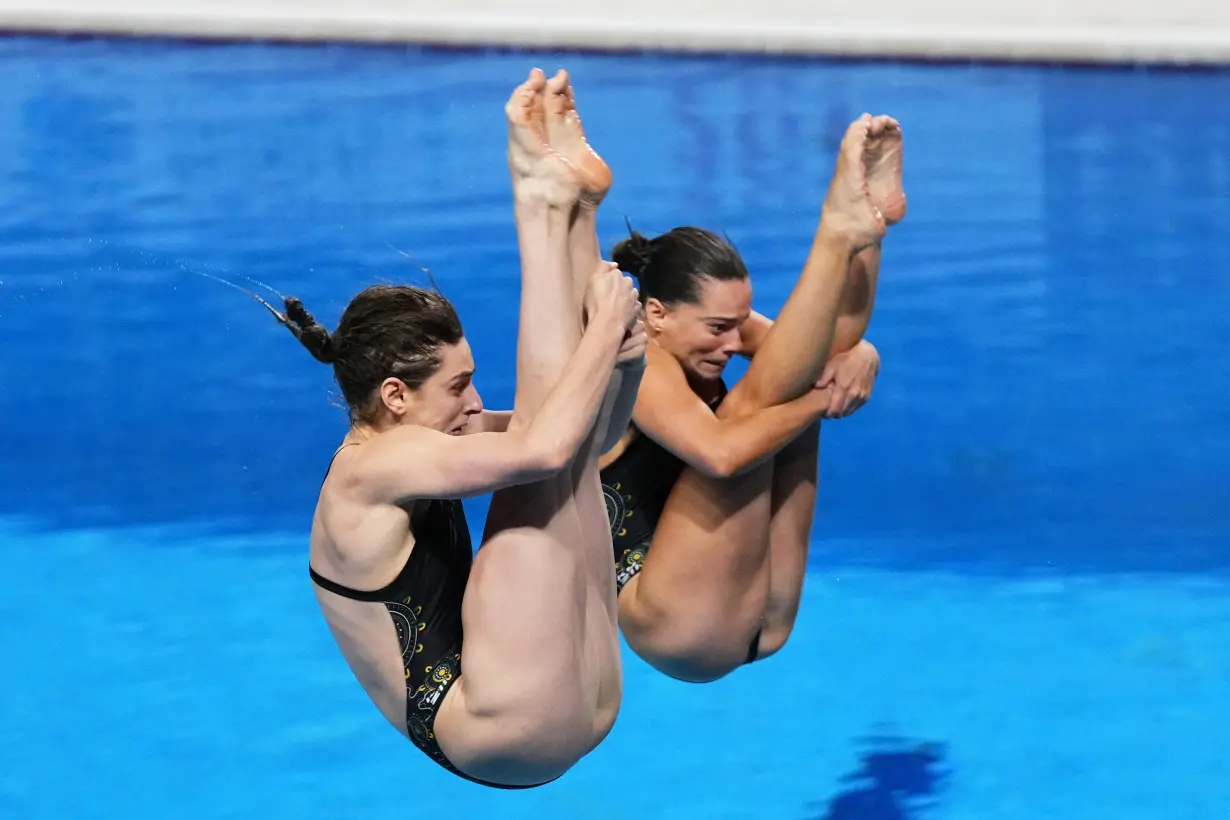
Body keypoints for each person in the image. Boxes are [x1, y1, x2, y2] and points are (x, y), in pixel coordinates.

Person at [268, 68, 646, 789]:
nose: (474, 399)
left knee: (566, 456)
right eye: (458, 384)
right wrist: (602, 333)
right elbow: (543, 441)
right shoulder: (371, 468)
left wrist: (622, 361)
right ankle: (541, 204)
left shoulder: (429, 437)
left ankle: (574, 209)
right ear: (394, 397)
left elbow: (590, 437)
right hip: (492, 723)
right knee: (545, 449)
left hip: (562, 704)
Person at [599, 113, 906, 683]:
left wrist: (861, 354)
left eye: (739, 323)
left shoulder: (710, 334)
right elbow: (720, 456)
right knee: (755, 413)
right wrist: (824, 401)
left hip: (761, 616)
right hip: (673, 621)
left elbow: (817, 350)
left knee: (791, 376)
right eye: (717, 327)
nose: (732, 341)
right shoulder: (636, 359)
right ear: (657, 313)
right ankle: (837, 234)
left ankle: (865, 236)